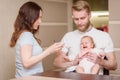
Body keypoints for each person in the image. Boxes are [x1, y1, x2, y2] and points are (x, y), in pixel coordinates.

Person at [54, 0, 117, 75]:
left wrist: (100, 61)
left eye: (82, 18)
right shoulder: (68, 36)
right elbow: (56, 62)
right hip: (73, 75)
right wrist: (73, 63)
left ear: (90, 15)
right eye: (76, 19)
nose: (79, 22)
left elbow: (114, 65)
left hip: (94, 76)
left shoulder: (104, 36)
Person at [10, 2, 63, 78]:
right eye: (38, 17)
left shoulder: (24, 35)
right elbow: (27, 63)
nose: (40, 22)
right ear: (29, 17)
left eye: (41, 17)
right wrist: (49, 51)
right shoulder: (26, 35)